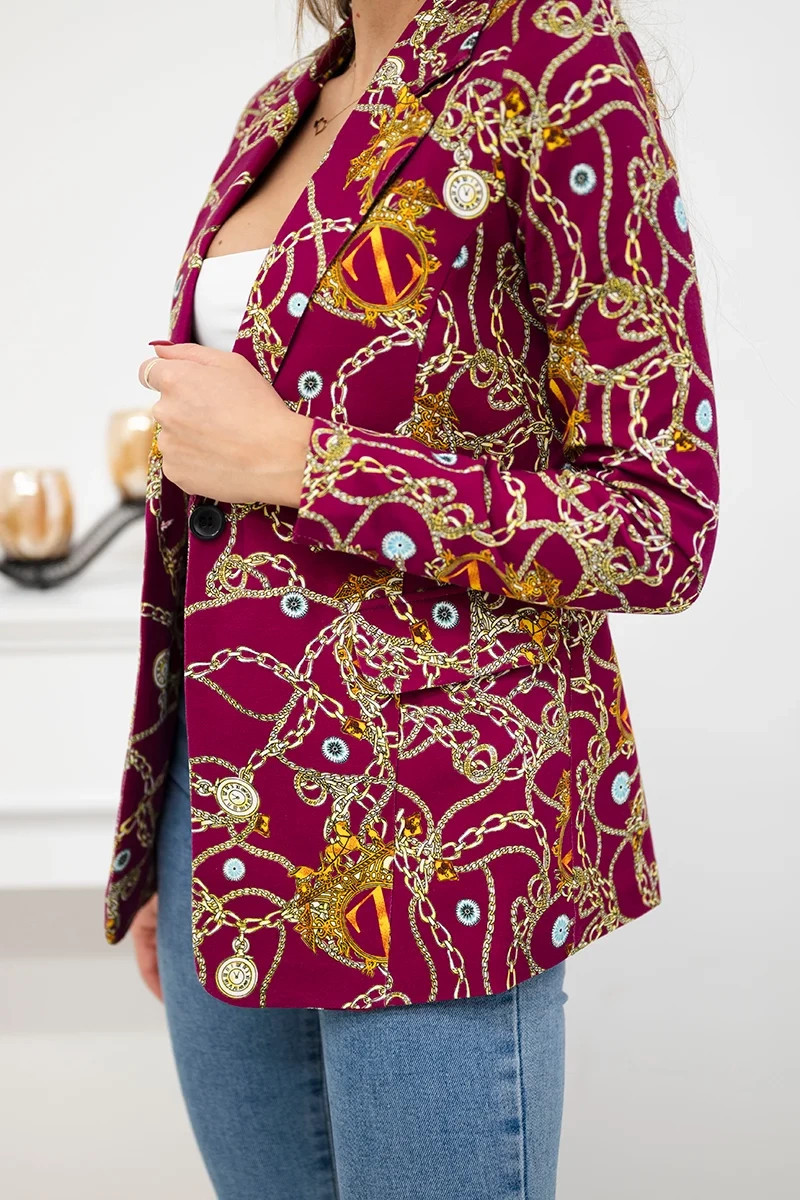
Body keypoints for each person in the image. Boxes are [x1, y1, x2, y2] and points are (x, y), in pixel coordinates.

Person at [105, 1, 720, 1196]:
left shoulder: (556, 53)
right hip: (221, 812)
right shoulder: (282, 105)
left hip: (432, 825)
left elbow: (659, 521)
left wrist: (307, 464)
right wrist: (166, 843)